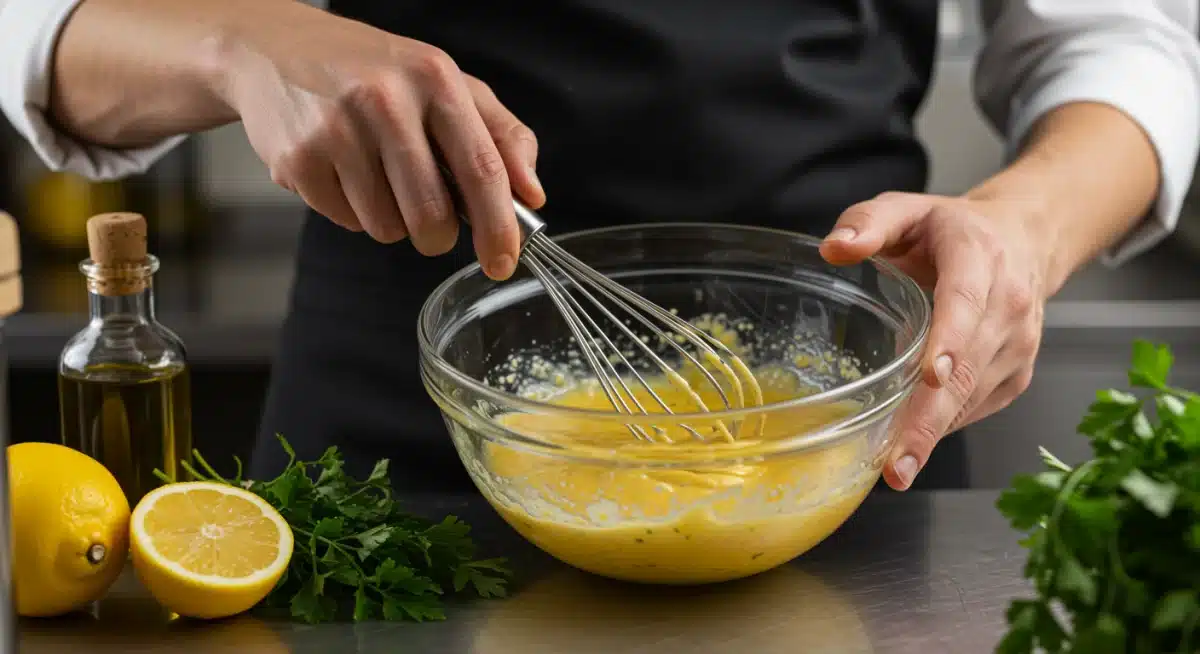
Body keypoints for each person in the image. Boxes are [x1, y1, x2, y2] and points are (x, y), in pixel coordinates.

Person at [2, 0, 1197, 494]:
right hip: (397, 462)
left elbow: (1121, 36)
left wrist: (1020, 231)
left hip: (851, 435)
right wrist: (236, 44)